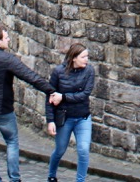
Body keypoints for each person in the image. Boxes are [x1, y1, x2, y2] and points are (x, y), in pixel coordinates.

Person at [0, 24, 58, 182]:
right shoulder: (7, 59)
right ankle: (14, 178)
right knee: (12, 142)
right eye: (6, 38)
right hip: (3, 109)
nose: (8, 40)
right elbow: (29, 76)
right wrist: (50, 90)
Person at [46, 42, 96, 182]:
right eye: (83, 57)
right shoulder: (58, 72)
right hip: (65, 117)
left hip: (83, 118)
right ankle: (51, 175)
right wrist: (50, 120)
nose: (86, 59)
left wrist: (63, 97)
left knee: (83, 150)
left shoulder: (89, 71)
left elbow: (85, 94)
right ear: (74, 58)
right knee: (60, 150)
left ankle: (80, 180)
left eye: (87, 56)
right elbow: (50, 97)